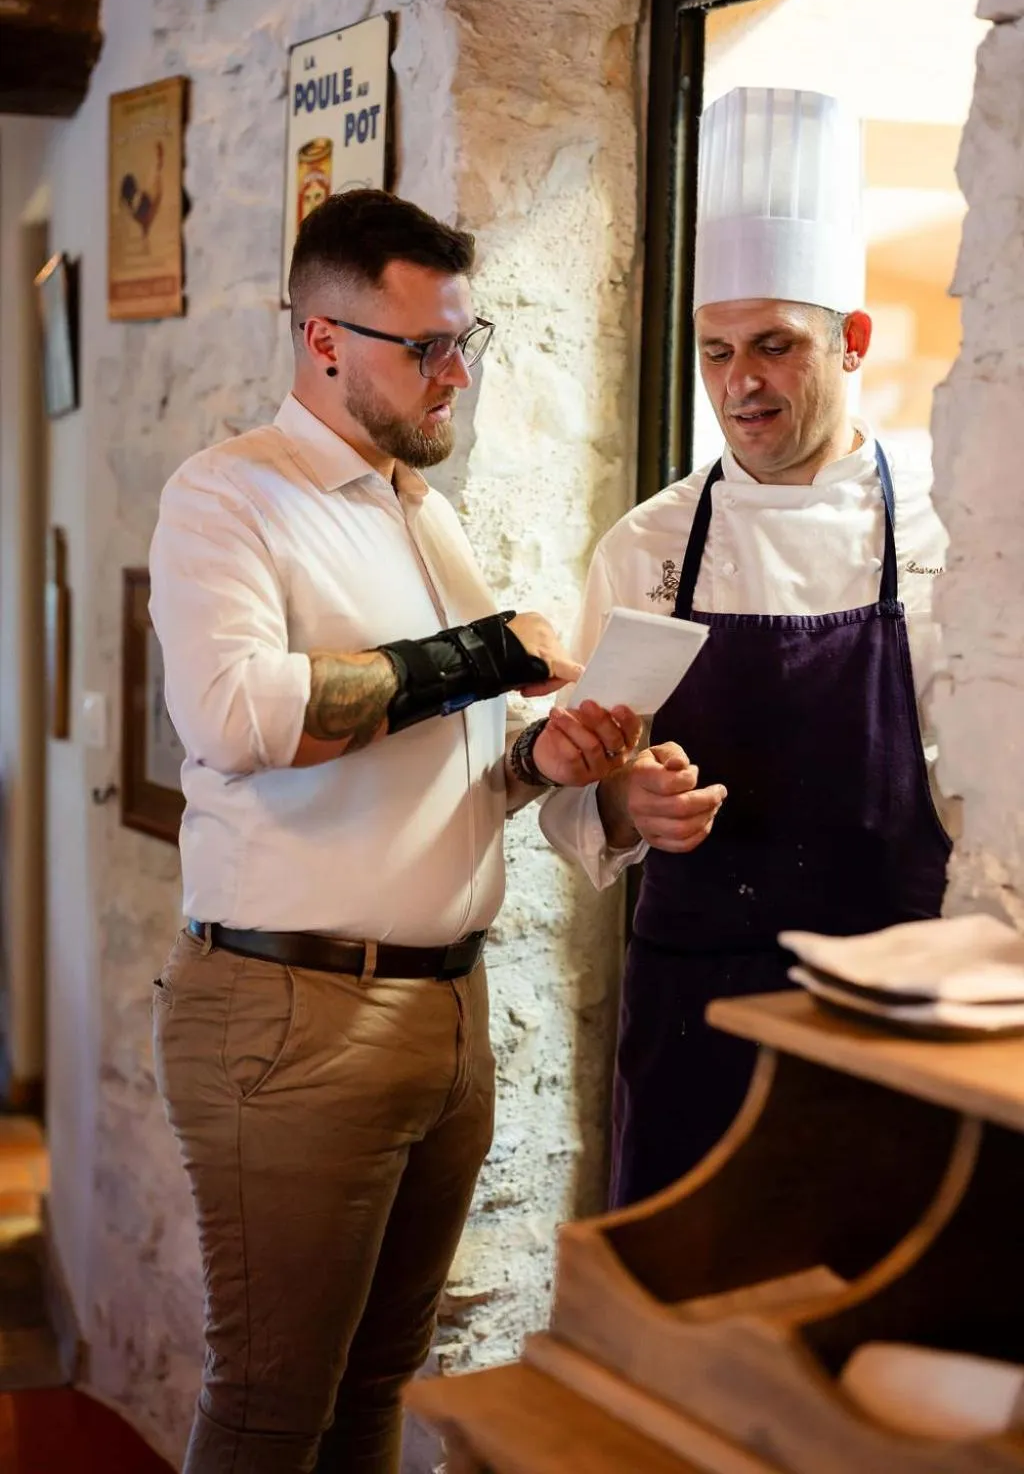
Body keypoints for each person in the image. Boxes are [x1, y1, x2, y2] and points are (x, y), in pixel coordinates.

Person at [149, 188, 639, 1474]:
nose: (456, 377)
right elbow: (240, 713)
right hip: (293, 1013)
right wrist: (482, 652)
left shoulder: (421, 510)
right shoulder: (229, 496)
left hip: (444, 1013)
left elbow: (455, 763)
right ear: (321, 340)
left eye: (464, 343)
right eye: (425, 347)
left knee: (377, 1387)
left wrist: (547, 754)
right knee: (270, 1407)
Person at [540, 87, 951, 1210]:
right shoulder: (647, 546)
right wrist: (632, 803)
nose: (739, 385)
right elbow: (577, 794)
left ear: (851, 341)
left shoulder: (943, 541)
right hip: (698, 1009)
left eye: (774, 346)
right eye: (716, 350)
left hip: (894, 1003)